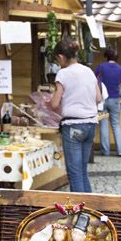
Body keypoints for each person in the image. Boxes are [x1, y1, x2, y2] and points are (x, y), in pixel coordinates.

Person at [49, 38, 100, 193]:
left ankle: (80, 213)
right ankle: (90, 210)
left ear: (62, 57)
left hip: (73, 127)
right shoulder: (88, 71)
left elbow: (55, 103)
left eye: (58, 59)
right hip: (91, 124)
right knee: (83, 171)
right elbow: (98, 98)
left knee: (75, 174)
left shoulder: (63, 74)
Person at [95, 47, 121, 156]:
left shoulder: (101, 67)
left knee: (103, 124)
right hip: (115, 99)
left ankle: (105, 150)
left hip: (102, 101)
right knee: (116, 124)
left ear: (106, 56)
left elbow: (94, 81)